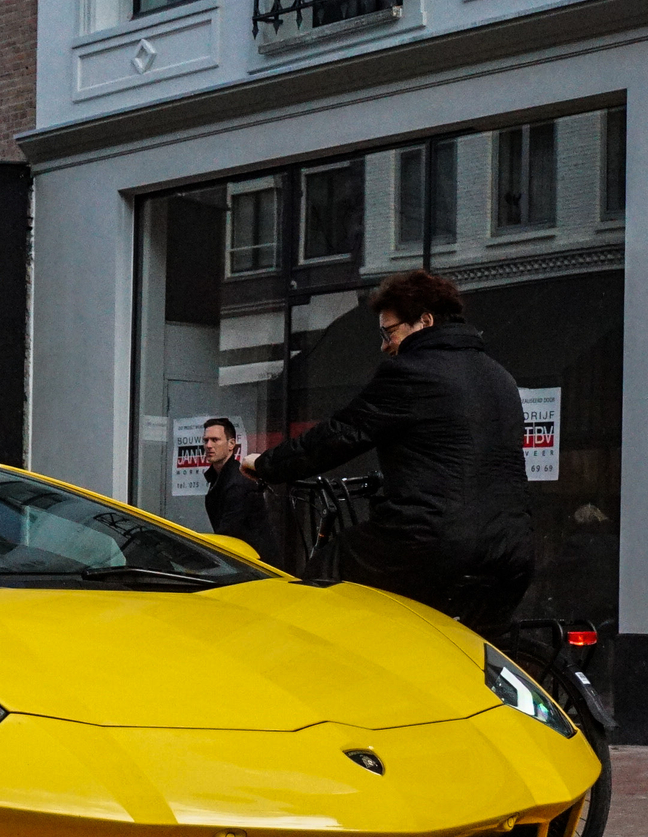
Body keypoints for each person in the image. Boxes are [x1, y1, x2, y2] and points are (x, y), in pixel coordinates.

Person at [246, 269, 532, 630]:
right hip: (512, 551)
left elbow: (341, 434)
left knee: (330, 566)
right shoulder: (499, 376)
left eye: (389, 331)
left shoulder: (413, 371)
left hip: (436, 543)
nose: (384, 345)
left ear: (424, 322)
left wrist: (268, 464)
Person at [198, 417, 284, 569]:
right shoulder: (220, 478)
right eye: (206, 441)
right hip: (244, 561)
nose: (209, 445)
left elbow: (228, 532)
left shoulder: (238, 482)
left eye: (215, 440)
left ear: (231, 444)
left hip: (256, 566)